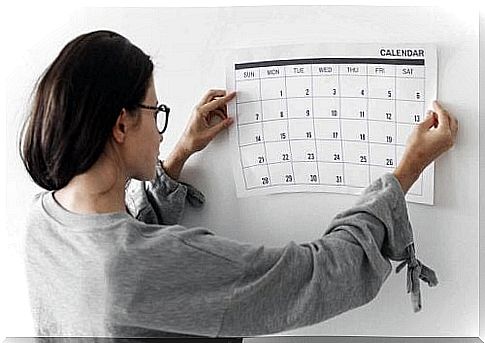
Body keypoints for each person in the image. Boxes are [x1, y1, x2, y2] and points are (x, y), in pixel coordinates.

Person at [19, 30, 458, 338]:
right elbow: (320, 277)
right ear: (120, 124)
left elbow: (120, 240)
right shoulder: (139, 267)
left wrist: (174, 158)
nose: (159, 129)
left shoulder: (43, 221)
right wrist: (406, 171)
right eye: (155, 112)